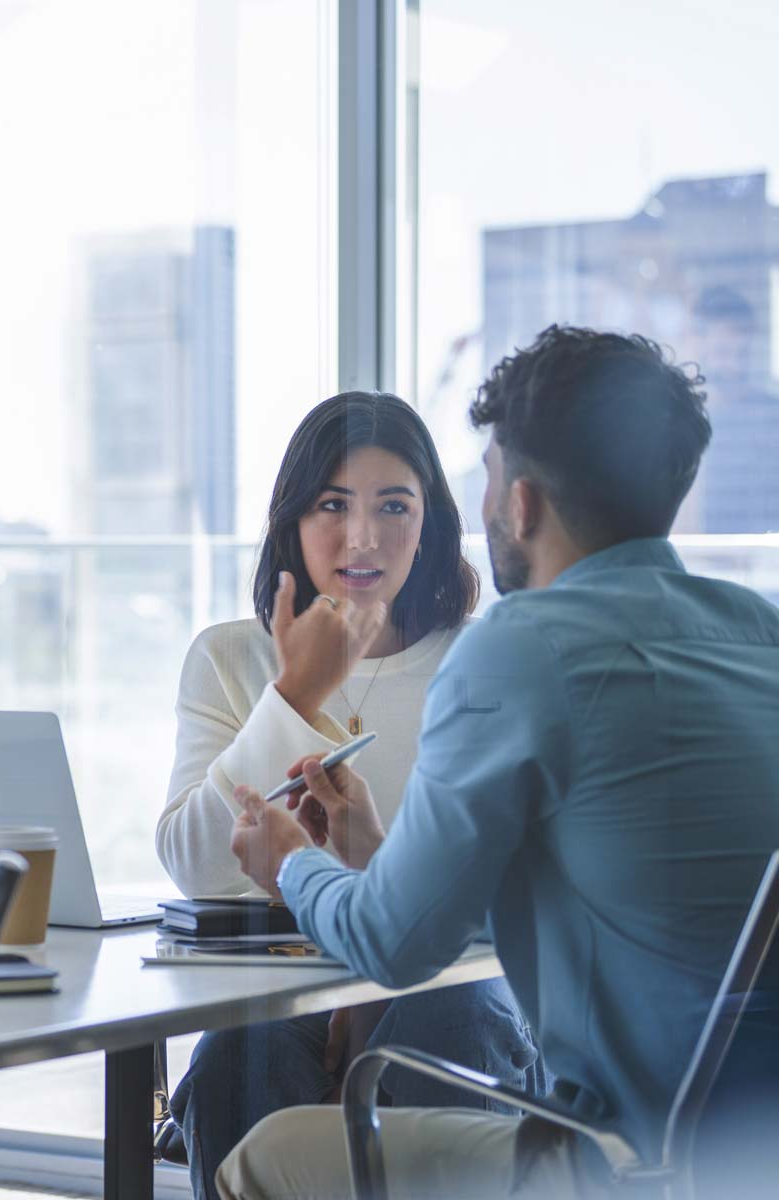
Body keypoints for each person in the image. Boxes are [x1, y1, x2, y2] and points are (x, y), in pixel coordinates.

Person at [220, 326, 779, 1199]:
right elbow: (614, 905)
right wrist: (374, 852)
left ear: (519, 504)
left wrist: (290, 862)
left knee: (265, 1152)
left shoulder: (519, 649)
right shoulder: (761, 634)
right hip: (755, 1156)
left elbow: (390, 949)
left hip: (623, 1160)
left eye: (484, 474)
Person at [156, 392, 548, 1199]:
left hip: (453, 988)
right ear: (292, 521)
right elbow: (199, 867)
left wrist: (371, 968)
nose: (362, 536)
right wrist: (295, 695)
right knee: (244, 1050)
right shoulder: (229, 657)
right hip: (280, 988)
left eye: (393, 506)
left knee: (454, 1019)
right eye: (332, 504)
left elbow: (517, 891)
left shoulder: (484, 661)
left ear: (431, 525)